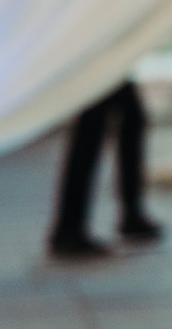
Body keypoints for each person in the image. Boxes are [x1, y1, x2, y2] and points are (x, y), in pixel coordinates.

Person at [49, 78, 164, 260]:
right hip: (95, 61)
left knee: (127, 117)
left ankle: (130, 214)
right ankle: (69, 228)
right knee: (92, 128)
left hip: (102, 60)